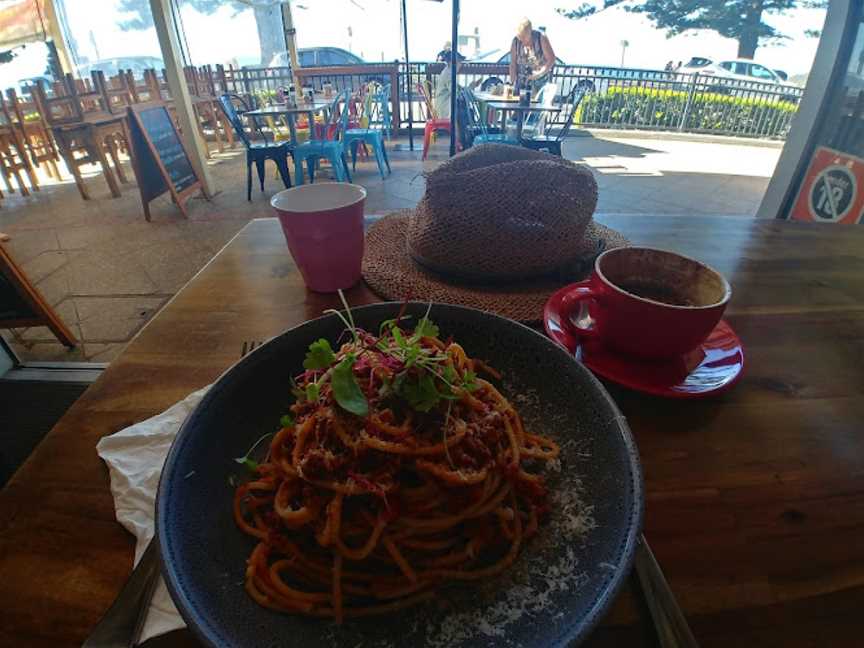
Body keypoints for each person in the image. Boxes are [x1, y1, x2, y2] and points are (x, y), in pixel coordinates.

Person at [509, 18, 556, 93]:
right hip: (521, 83)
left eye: (524, 38)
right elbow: (513, 64)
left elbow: (551, 59)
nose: (522, 42)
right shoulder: (515, 41)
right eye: (520, 38)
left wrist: (539, 73)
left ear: (530, 32)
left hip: (540, 83)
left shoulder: (541, 37)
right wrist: (512, 83)